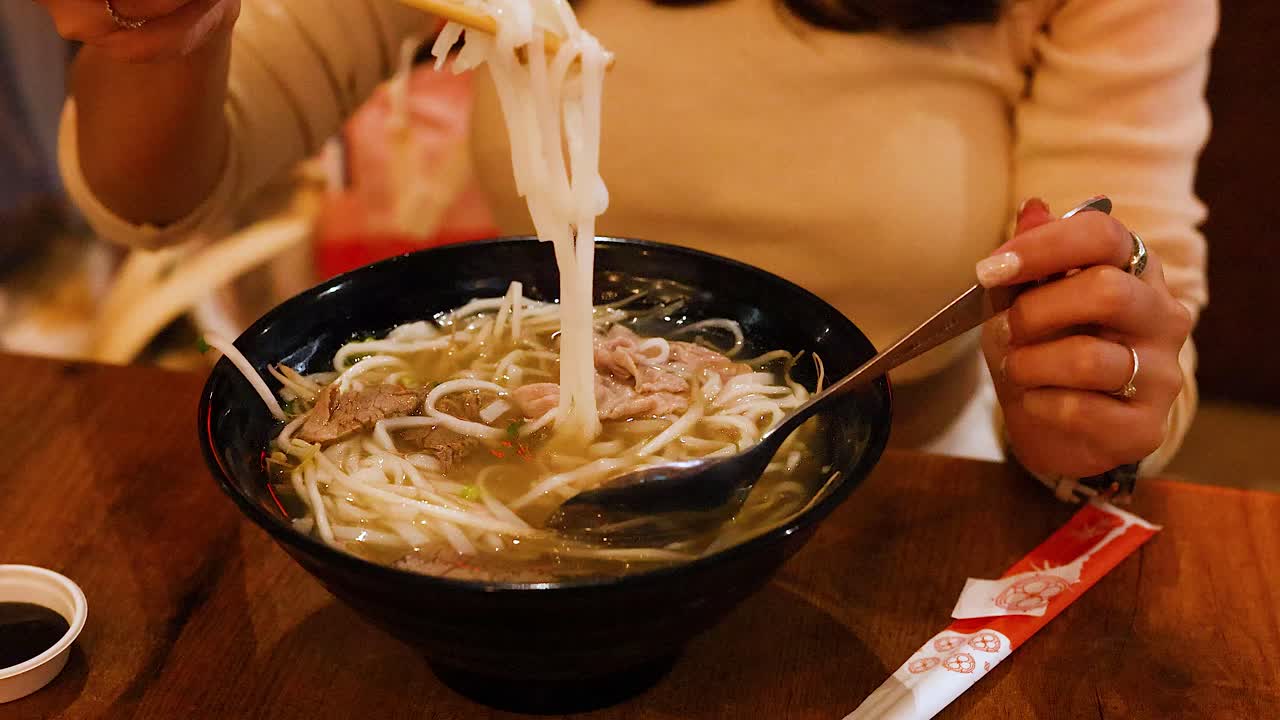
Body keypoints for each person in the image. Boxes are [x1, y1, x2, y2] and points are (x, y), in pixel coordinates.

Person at [38, 0, 1212, 500]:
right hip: (511, 468)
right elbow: (150, 200)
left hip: (905, 488)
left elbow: (1132, 319)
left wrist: (1093, 391)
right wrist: (156, 38)